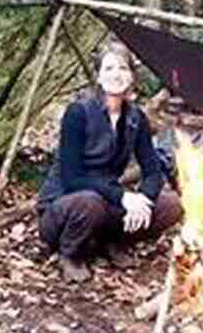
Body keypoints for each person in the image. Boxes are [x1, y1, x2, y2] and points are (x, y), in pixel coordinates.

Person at [37, 42, 182, 282]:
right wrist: (124, 197)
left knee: (172, 204)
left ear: (132, 76)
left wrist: (143, 199)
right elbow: (72, 178)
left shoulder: (136, 118)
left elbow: (153, 171)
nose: (116, 74)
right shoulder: (78, 113)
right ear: (99, 77)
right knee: (88, 201)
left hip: (105, 202)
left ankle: (113, 242)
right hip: (63, 208)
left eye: (123, 68)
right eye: (109, 68)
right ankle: (70, 254)